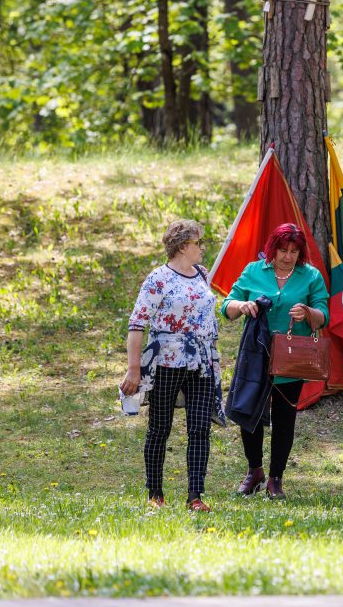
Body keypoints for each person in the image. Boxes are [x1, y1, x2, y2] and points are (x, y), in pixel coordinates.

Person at [221, 223, 330, 500]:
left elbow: (324, 315)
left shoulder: (311, 275)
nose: (288, 256)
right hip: (256, 356)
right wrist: (243, 306)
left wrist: (308, 312)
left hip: (291, 359)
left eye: (294, 251)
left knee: (285, 418)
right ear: (273, 249)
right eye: (283, 250)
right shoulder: (254, 270)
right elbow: (227, 306)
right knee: (249, 414)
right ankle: (254, 470)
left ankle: (275, 478)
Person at [120, 219, 222, 512]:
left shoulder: (202, 274)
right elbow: (137, 323)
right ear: (182, 246)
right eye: (197, 243)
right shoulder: (158, 279)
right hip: (167, 360)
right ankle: (155, 493)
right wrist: (134, 368)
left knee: (200, 428)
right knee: (160, 427)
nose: (202, 248)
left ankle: (196, 496)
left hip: (201, 362)